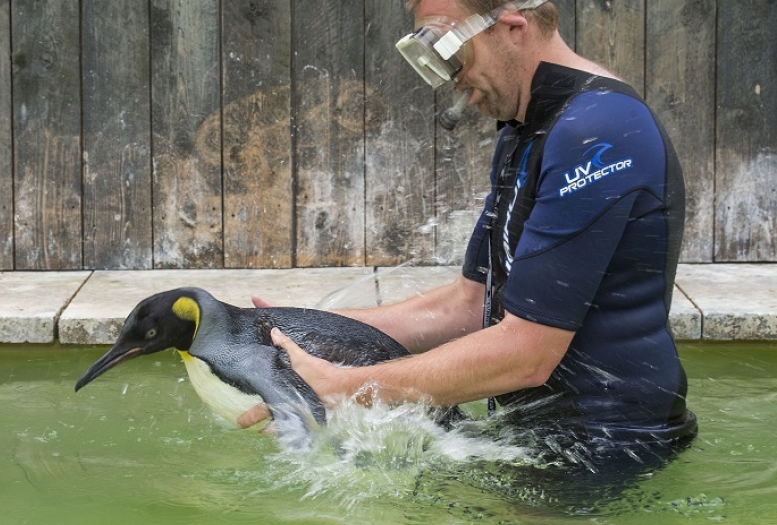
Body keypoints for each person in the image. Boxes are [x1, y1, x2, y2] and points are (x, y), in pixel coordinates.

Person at [238, 0, 697, 465]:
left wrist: (344, 389)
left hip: (611, 443)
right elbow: (470, 303)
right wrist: (302, 331)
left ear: (511, 25)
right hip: (536, 435)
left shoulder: (598, 129)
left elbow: (526, 352)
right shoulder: (526, 129)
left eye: (449, 52)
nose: (451, 80)